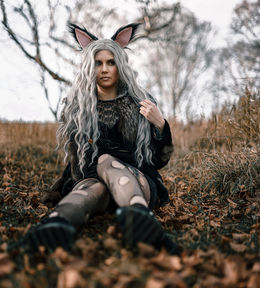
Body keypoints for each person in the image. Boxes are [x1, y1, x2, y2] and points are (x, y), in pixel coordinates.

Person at [12, 23, 179, 254]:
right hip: (95, 181)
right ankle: (52, 227)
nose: (104, 69)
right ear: (89, 66)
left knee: (106, 161)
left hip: (136, 183)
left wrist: (160, 124)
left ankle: (142, 221)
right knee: (88, 189)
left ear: (120, 65)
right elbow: (77, 161)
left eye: (111, 62)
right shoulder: (79, 109)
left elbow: (160, 160)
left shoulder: (141, 103)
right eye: (98, 63)